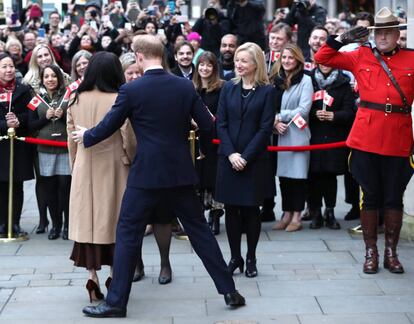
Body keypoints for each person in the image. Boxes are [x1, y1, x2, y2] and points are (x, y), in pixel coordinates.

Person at [73, 34, 245, 318]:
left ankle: (117, 302)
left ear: (139, 57)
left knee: (127, 233)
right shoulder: (184, 87)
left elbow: (109, 126)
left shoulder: (132, 90)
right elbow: (206, 125)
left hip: (145, 174)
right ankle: (229, 291)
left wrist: (87, 136)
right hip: (179, 171)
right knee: (199, 231)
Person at [315, 7, 414, 274]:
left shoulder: (411, 59)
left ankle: (391, 253)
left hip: (398, 136)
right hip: (366, 137)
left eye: (387, 32)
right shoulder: (361, 55)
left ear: (397, 35)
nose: (382, 37)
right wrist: (342, 38)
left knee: (394, 198)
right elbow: (322, 56)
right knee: (370, 197)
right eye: (378, 32)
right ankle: (370, 252)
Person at [67, 52, 136, 302]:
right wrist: (130, 159)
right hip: (115, 166)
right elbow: (127, 136)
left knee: (88, 224)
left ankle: (92, 276)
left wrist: (75, 164)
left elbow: (70, 137)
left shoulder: (75, 98)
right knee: (116, 223)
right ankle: (113, 275)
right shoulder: (119, 97)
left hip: (85, 165)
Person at [215, 42, 275, 277]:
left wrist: (246, 157)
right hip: (228, 158)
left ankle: (251, 257)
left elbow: (265, 127)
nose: (238, 64)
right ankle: (235, 257)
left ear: (255, 64)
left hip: (254, 160)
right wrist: (231, 154)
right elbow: (221, 123)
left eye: (244, 61)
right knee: (231, 210)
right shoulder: (228, 87)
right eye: (237, 60)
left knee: (251, 211)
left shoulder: (267, 91)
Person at [119, 51, 173, 285]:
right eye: (129, 73)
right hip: (127, 166)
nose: (133, 77)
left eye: (137, 72)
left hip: (156, 165)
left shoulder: (158, 92)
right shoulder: (122, 96)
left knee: (162, 216)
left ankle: (165, 263)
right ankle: (137, 265)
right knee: (133, 221)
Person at [271, 43, 313, 232]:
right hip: (278, 134)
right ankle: (286, 213)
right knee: (284, 177)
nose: (287, 61)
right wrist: (274, 121)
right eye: (284, 57)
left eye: (290, 57)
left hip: (297, 134)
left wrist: (281, 116)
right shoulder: (275, 79)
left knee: (298, 177)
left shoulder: (305, 80)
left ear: (297, 59)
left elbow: (303, 110)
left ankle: (297, 214)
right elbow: (269, 106)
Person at [308, 63, 355, 229]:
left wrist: (333, 115)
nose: (325, 65)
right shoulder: (309, 80)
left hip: (334, 137)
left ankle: (330, 211)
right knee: (313, 176)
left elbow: (350, 112)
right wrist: (314, 113)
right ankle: (316, 213)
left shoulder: (343, 82)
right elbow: (304, 106)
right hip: (313, 137)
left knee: (329, 177)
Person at [33, 65, 72, 240]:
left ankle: (67, 225)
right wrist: (45, 117)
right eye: (46, 76)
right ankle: (55, 225)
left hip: (64, 148)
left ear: (59, 77)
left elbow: (75, 119)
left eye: (53, 76)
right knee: (49, 189)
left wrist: (63, 115)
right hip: (45, 149)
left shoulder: (68, 96)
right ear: (42, 79)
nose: (50, 79)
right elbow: (30, 125)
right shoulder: (36, 98)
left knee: (65, 188)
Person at [0, 53, 35, 237]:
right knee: (1, 186)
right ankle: (1, 223)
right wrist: (5, 124)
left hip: (19, 145)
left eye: (11, 66)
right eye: (4, 66)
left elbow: (31, 116)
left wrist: (17, 121)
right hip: (1, 145)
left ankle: (14, 223)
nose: (8, 70)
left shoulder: (23, 89)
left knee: (17, 186)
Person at [192, 51, 225, 235]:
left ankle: (215, 216)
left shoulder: (222, 88)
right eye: (202, 65)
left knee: (213, 178)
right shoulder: (191, 87)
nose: (205, 68)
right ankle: (199, 218)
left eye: (209, 65)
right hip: (196, 139)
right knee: (198, 177)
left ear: (214, 68)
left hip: (215, 139)